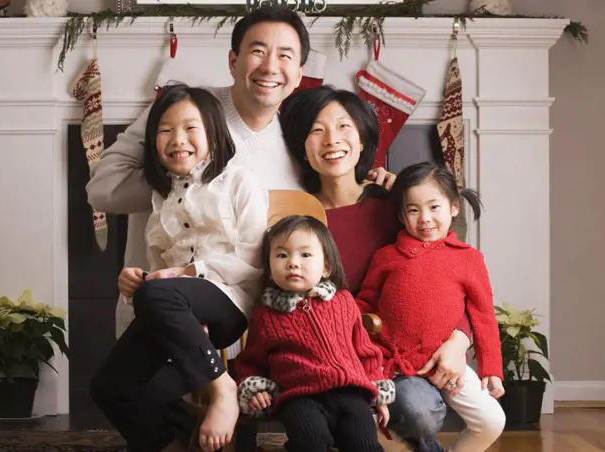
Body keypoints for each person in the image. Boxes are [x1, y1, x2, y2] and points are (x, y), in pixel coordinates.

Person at [86, 9, 392, 450]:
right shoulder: (184, 112)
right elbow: (104, 188)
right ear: (233, 61)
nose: (270, 66)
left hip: (253, 310)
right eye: (257, 51)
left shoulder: (293, 135)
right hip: (171, 297)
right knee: (120, 390)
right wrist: (182, 177)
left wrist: (387, 185)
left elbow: (318, 207)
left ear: (299, 71)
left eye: (285, 55)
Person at [279, 85, 473, 452]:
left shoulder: (397, 207)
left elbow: (454, 273)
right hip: (325, 358)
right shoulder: (295, 217)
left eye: (344, 127)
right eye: (316, 130)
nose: (331, 140)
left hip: (392, 357)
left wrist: (458, 341)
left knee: (418, 413)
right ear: (302, 147)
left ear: (364, 137)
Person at [89, 84, 269, 452]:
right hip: (181, 314)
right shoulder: (162, 197)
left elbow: (253, 263)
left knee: (160, 292)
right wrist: (136, 285)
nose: (177, 139)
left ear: (214, 134)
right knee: (108, 387)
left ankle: (224, 390)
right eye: (165, 130)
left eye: (190, 128)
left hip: (231, 303)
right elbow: (159, 277)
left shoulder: (240, 181)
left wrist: (184, 278)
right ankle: (172, 446)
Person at [356, 161, 507, 452]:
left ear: (453, 207)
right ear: (401, 214)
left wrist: (492, 369)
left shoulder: (469, 259)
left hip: (452, 365)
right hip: (400, 367)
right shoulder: (387, 256)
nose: (424, 218)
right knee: (420, 416)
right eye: (413, 210)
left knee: (492, 421)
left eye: (434, 207)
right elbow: (366, 301)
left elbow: (483, 314)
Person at [233, 215, 395, 452]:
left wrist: (378, 394)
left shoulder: (343, 301)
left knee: (363, 443)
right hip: (298, 396)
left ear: (326, 266)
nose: (293, 263)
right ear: (269, 268)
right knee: (311, 440)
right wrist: (255, 389)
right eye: (282, 255)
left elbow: (365, 351)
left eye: (305, 254)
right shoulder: (266, 315)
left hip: (350, 391)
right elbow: (250, 361)